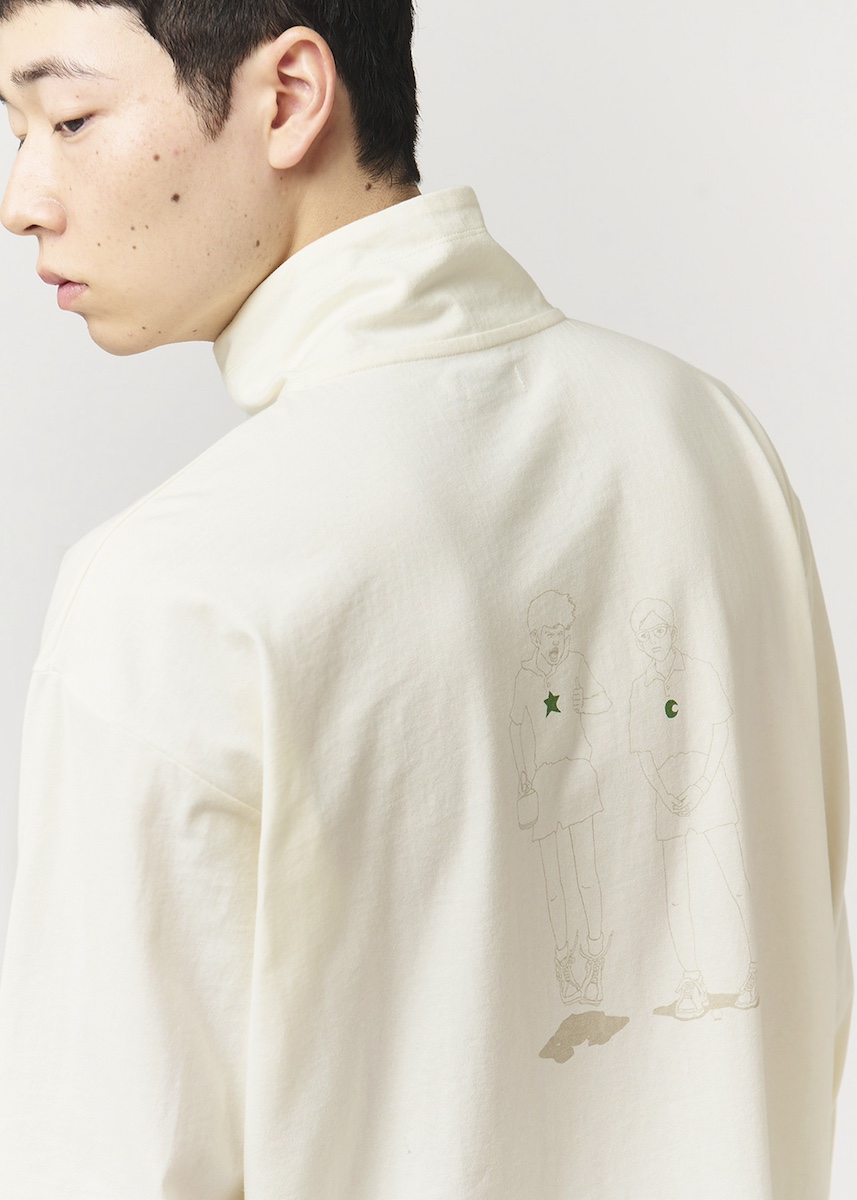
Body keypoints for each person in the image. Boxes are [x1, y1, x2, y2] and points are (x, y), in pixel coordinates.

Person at [0, 3, 850, 1199]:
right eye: (15, 131)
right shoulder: (708, 442)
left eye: (69, 118)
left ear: (290, 96)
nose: (23, 199)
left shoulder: (170, 591)